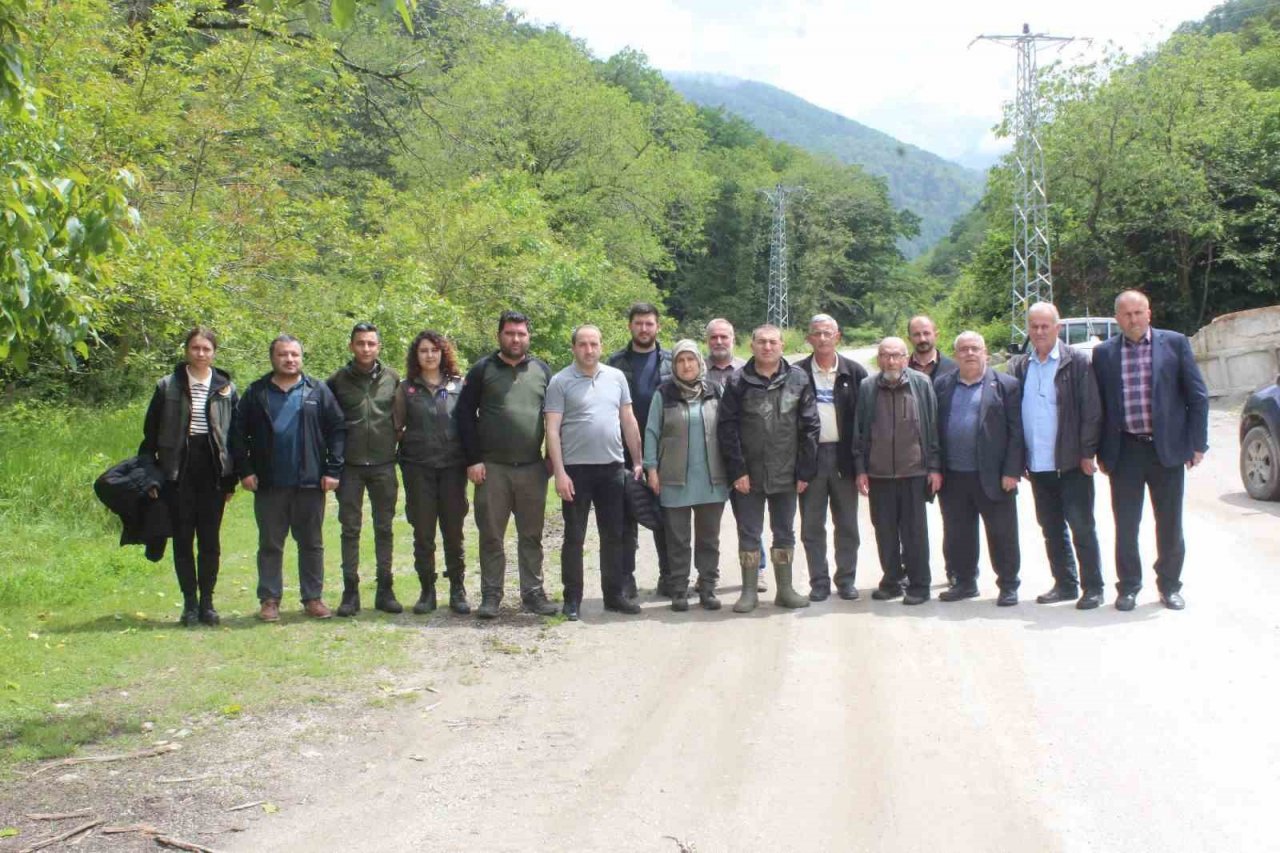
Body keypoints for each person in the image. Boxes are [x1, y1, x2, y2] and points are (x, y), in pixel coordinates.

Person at [1092, 290, 1209, 611]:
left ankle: (1170, 585)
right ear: (1117, 318)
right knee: (1126, 525)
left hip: (1166, 450)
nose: (1133, 319)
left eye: (1139, 312)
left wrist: (1198, 443)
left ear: (1149, 313)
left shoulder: (1174, 343)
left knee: (1170, 523)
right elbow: (1098, 407)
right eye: (1127, 314)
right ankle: (1128, 587)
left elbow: (1197, 396)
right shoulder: (1103, 354)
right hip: (1125, 451)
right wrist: (1098, 451)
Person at [231, 335, 345, 622]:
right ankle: (269, 600)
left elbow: (337, 430)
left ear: (301, 357)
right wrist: (245, 470)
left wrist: (332, 470)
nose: (289, 359)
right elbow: (236, 434)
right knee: (270, 544)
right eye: (283, 354)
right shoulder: (256, 393)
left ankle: (313, 598)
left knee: (311, 543)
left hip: (310, 482)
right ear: (273, 358)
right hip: (269, 484)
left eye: (294, 354)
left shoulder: (317, 390)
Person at [456, 311, 559, 619]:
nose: (516, 339)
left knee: (531, 535)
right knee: (491, 535)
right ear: (499, 335)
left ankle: (533, 594)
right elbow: (463, 415)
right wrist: (473, 459)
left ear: (529, 336)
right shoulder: (482, 370)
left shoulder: (542, 371)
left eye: (521, 334)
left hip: (531, 468)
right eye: (510, 333)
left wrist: (552, 459)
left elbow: (554, 418)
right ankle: (491, 595)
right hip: (492, 469)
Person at [1007, 302, 1105, 610]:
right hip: (1038, 465)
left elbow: (1091, 410)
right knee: (1051, 528)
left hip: (1071, 461)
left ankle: (1094, 588)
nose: (1038, 332)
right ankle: (1065, 584)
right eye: (1033, 326)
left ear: (1057, 328)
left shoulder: (1076, 362)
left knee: (1082, 527)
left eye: (1044, 326)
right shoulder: (1021, 366)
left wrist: (1087, 452)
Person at [139, 327, 238, 626]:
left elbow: (234, 438)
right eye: (195, 348)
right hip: (176, 473)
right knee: (183, 540)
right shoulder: (167, 386)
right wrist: (152, 478)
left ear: (214, 353)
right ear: (186, 351)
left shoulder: (226, 388)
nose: (201, 353)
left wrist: (231, 479)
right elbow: (150, 438)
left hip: (212, 473)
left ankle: (208, 603)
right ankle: (189, 604)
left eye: (206, 349)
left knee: (210, 540)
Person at [718, 324, 820, 612]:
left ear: (782, 346)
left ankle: (785, 590)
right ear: (751, 346)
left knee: (784, 532)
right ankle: (749, 592)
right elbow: (727, 429)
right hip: (748, 475)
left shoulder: (799, 378)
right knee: (749, 533)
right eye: (761, 342)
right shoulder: (737, 381)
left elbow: (810, 426)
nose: (767, 347)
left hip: (788, 473)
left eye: (772, 342)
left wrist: (805, 471)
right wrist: (737, 471)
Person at [545, 325, 644, 620]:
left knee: (613, 535)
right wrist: (559, 473)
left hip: (612, 467)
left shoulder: (616, 378)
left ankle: (613, 595)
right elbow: (551, 430)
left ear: (601, 346)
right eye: (583, 344)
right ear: (574, 347)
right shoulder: (560, 382)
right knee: (574, 537)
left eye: (594, 344)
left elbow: (628, 420)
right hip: (575, 471)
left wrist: (637, 460)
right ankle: (572, 599)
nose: (589, 350)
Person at [934, 332, 1024, 606]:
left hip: (994, 476)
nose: (969, 353)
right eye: (963, 349)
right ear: (956, 354)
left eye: (975, 348)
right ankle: (964, 582)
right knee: (958, 533)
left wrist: (1011, 471)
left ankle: (1008, 585)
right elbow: (934, 432)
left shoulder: (1006, 385)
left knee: (1002, 533)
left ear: (985, 352)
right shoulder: (942, 385)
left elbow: (1016, 431)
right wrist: (935, 468)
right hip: (954, 475)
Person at [853, 337, 941, 605]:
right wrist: (860, 469)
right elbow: (859, 432)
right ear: (878, 359)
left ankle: (919, 585)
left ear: (906, 358)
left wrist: (934, 467)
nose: (891, 361)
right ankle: (891, 581)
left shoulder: (921, 384)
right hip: (879, 475)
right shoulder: (868, 387)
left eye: (896, 356)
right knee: (885, 532)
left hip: (914, 473)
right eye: (885, 355)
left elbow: (933, 428)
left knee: (915, 534)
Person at [645, 340, 730, 612]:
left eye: (691, 360)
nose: (686, 365)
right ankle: (679, 589)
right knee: (678, 539)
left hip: (711, 478)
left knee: (709, 538)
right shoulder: (664, 393)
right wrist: (651, 469)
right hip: (673, 477)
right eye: (680, 361)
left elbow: (729, 430)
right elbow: (651, 432)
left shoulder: (715, 391)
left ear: (699, 362)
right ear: (674, 365)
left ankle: (707, 588)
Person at [394, 330, 470, 616]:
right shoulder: (405, 389)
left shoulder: (459, 385)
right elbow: (396, 428)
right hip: (418, 469)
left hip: (452, 468)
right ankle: (427, 590)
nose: (429, 355)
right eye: (424, 350)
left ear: (443, 353)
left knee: (454, 531)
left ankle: (457, 589)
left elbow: (468, 425)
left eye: (434, 350)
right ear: (416, 355)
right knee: (423, 533)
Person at [327, 323, 401, 617]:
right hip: (350, 467)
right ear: (351, 346)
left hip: (384, 464)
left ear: (378, 347)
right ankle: (350, 592)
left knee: (384, 528)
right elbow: (329, 423)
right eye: (360, 343)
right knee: (350, 529)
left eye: (371, 343)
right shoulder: (336, 381)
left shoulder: (392, 379)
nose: (366, 349)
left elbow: (401, 418)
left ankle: (385, 589)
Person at [795, 314, 868, 601]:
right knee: (812, 527)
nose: (822, 338)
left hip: (844, 458)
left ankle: (846, 580)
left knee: (847, 525)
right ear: (809, 338)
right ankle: (819, 583)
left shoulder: (855, 372)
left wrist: (862, 465)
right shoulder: (797, 373)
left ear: (838, 337)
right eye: (817, 333)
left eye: (828, 333)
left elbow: (864, 423)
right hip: (811, 459)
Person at [607, 303, 674, 597]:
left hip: (666, 450)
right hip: (623, 450)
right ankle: (626, 578)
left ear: (658, 326)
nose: (644, 329)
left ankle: (670, 576)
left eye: (649, 323)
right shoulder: (614, 363)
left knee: (667, 516)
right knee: (626, 517)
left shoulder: (672, 361)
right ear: (630, 326)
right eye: (638, 323)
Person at [705, 317, 767, 594]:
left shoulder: (747, 370)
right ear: (707, 341)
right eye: (713, 337)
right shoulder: (695, 370)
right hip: (708, 458)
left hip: (744, 458)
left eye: (724, 337)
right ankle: (708, 574)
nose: (719, 342)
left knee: (748, 521)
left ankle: (758, 572)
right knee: (708, 523)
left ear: (734, 338)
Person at [907, 315, 957, 379]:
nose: (922, 339)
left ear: (936, 335)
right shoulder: (901, 370)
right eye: (916, 335)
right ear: (909, 339)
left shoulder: (953, 368)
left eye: (926, 333)